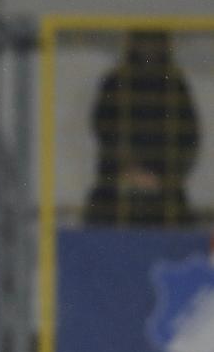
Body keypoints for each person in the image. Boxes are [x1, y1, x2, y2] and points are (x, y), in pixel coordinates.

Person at [85, 31, 199, 226]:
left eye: (154, 41)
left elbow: (188, 137)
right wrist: (126, 169)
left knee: (179, 233)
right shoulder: (115, 82)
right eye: (143, 41)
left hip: (165, 185)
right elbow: (104, 129)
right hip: (117, 182)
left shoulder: (175, 84)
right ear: (132, 44)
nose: (149, 48)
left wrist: (162, 176)